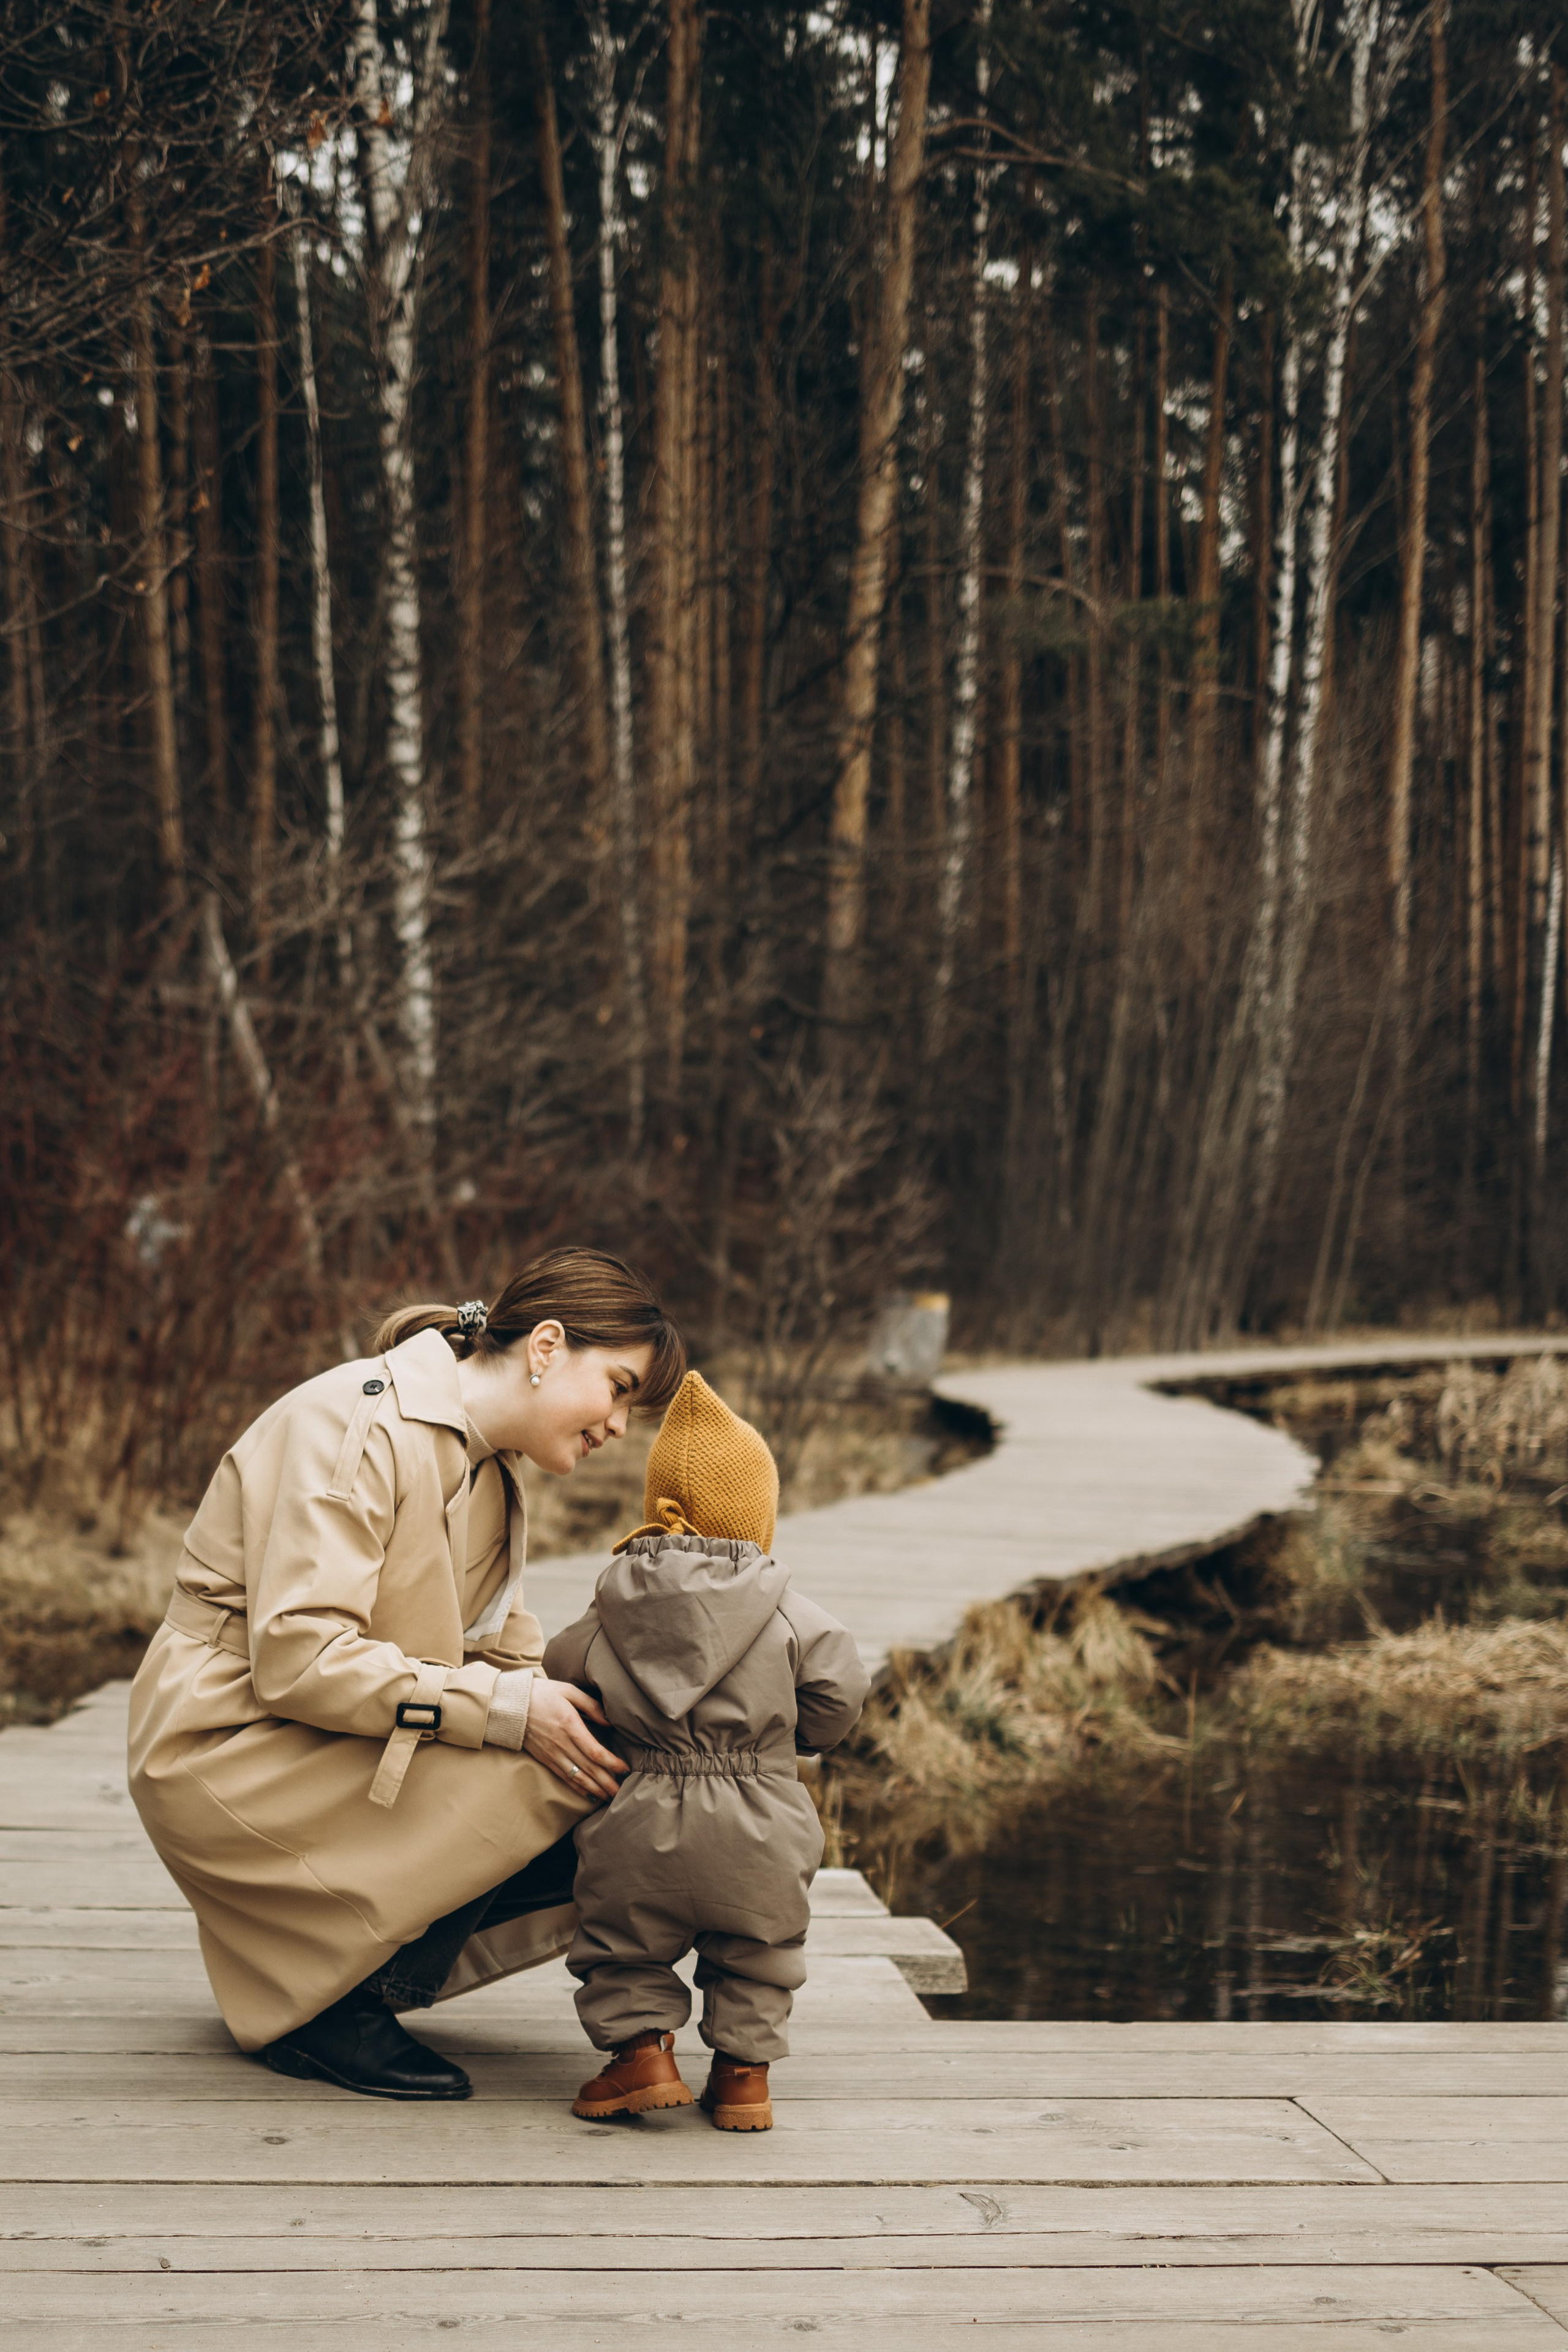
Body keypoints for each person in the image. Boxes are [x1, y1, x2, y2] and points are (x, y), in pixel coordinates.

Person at [127, 1247, 684, 2101]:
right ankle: (328, 2005)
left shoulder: (490, 1469)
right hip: (224, 1741)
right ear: (545, 1348)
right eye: (617, 1388)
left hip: (325, 1728)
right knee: (557, 1767)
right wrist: (509, 1711)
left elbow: (513, 1661)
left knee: (628, 1764)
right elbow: (302, 1660)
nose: (619, 1426)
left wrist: (653, 1700)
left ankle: (361, 1976)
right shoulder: (357, 1425)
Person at [543, 1371, 869, 2132]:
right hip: (762, 1809)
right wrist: (796, 1742)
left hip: (639, 1812)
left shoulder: (611, 1602)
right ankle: (743, 2078)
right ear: (759, 1515)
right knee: (760, 1949)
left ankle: (641, 2059)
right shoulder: (793, 1612)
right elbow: (838, 1697)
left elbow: (562, 1670)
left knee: (622, 1945)